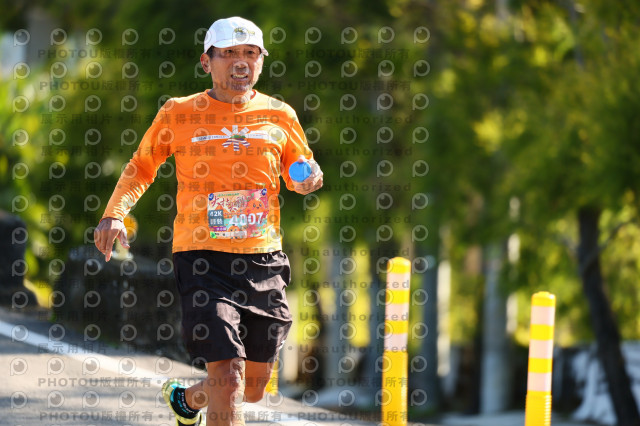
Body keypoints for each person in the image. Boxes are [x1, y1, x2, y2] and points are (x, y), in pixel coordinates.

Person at [94, 16, 323, 426]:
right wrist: (114, 213)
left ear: (261, 61)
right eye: (229, 53)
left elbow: (297, 171)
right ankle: (210, 394)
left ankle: (187, 399)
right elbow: (142, 166)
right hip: (202, 258)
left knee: (253, 388)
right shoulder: (179, 112)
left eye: (250, 53)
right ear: (206, 62)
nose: (241, 62)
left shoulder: (280, 115)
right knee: (229, 376)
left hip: (263, 258)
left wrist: (306, 180)